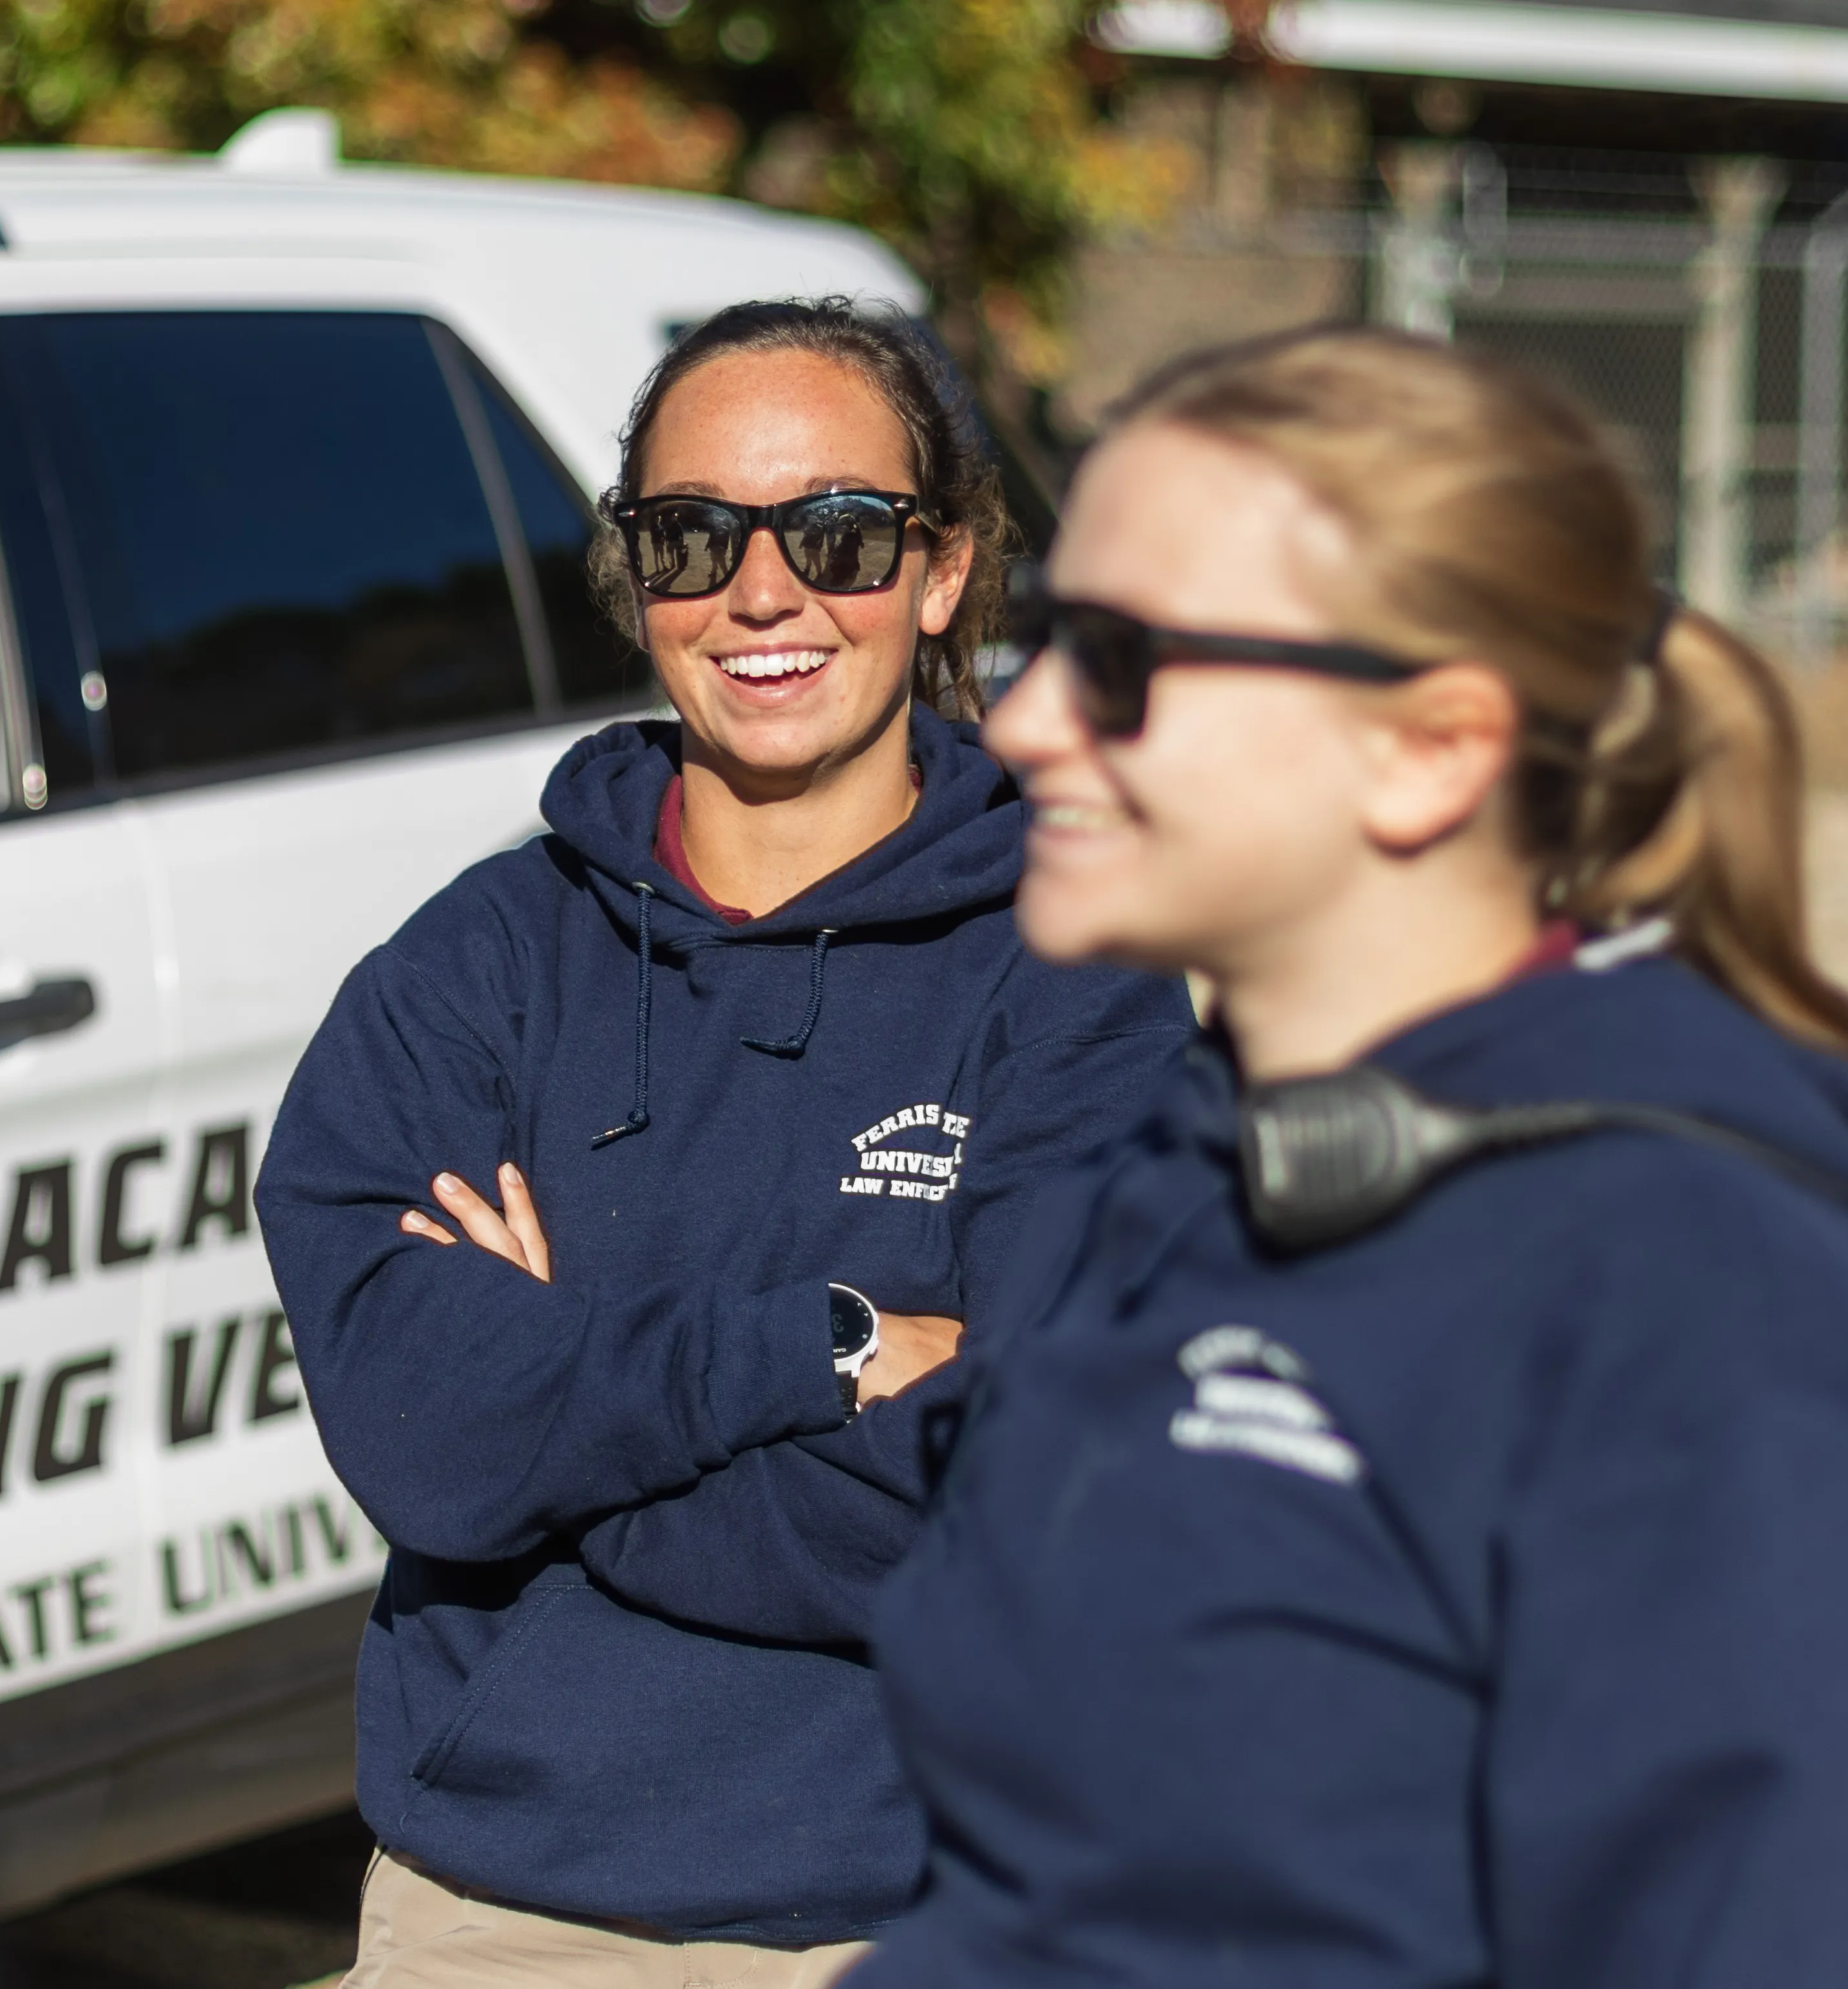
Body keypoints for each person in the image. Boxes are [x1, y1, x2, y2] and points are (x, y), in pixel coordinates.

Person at [859, 327, 1848, 1988]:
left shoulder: (1701, 1297)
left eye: (1115, 657)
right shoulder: (1192, 1173)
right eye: (1038, 641)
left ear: (1430, 746)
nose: (1022, 723)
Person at [259, 301, 1195, 1987]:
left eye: (834, 535)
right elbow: (428, 1441)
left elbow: (1041, 1504)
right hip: (508, 1916)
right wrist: (828, 1344)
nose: (761, 593)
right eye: (694, 536)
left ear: (935, 569)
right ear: (635, 576)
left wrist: (562, 1421)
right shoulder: (471, 968)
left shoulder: (1078, 980)